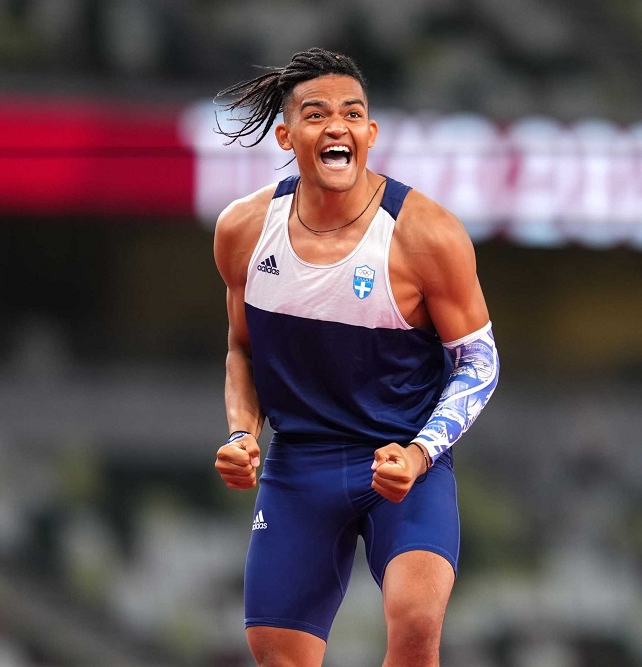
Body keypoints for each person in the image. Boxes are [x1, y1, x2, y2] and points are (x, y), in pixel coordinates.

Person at [211, 47, 499, 666]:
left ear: (370, 133)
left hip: (401, 461)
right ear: (286, 135)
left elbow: (480, 362)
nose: (336, 126)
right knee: (276, 653)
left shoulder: (426, 234)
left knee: (416, 625)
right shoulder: (244, 230)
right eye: (316, 115)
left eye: (352, 114)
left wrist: (420, 453)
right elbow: (242, 348)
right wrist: (241, 433)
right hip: (299, 466)